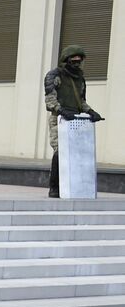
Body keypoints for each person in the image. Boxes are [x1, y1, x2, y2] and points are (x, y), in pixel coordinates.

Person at [43, 45, 103, 198]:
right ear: (66, 60)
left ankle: (73, 186)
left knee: (75, 152)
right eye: (73, 61)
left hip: (75, 119)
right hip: (59, 119)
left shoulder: (79, 79)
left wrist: (91, 112)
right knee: (60, 151)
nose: (77, 64)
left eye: (79, 61)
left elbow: (81, 101)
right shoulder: (54, 76)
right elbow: (50, 100)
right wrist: (62, 111)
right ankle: (54, 188)